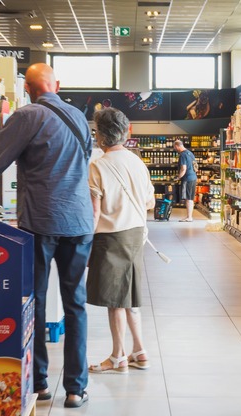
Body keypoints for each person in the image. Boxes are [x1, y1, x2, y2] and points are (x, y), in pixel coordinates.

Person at [0, 63, 93, 409]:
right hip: (79, 222)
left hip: (41, 222)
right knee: (75, 305)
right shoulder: (79, 117)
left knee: (35, 301)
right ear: (56, 85)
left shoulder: (27, 116)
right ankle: (76, 389)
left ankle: (39, 383)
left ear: (29, 89)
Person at [87, 108, 155, 373]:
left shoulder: (98, 166)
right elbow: (150, 203)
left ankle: (118, 357)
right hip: (136, 234)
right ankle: (140, 350)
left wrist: (84, 244)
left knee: (114, 300)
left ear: (100, 135)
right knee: (130, 295)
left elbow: (95, 212)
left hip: (110, 237)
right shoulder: (138, 162)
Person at [173, 139, 197, 222]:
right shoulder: (190, 153)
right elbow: (195, 166)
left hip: (187, 178)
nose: (174, 149)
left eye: (174, 147)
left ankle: (189, 217)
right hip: (193, 177)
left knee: (188, 198)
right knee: (190, 198)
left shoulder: (183, 155)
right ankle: (189, 216)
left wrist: (178, 177)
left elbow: (183, 168)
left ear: (177, 146)